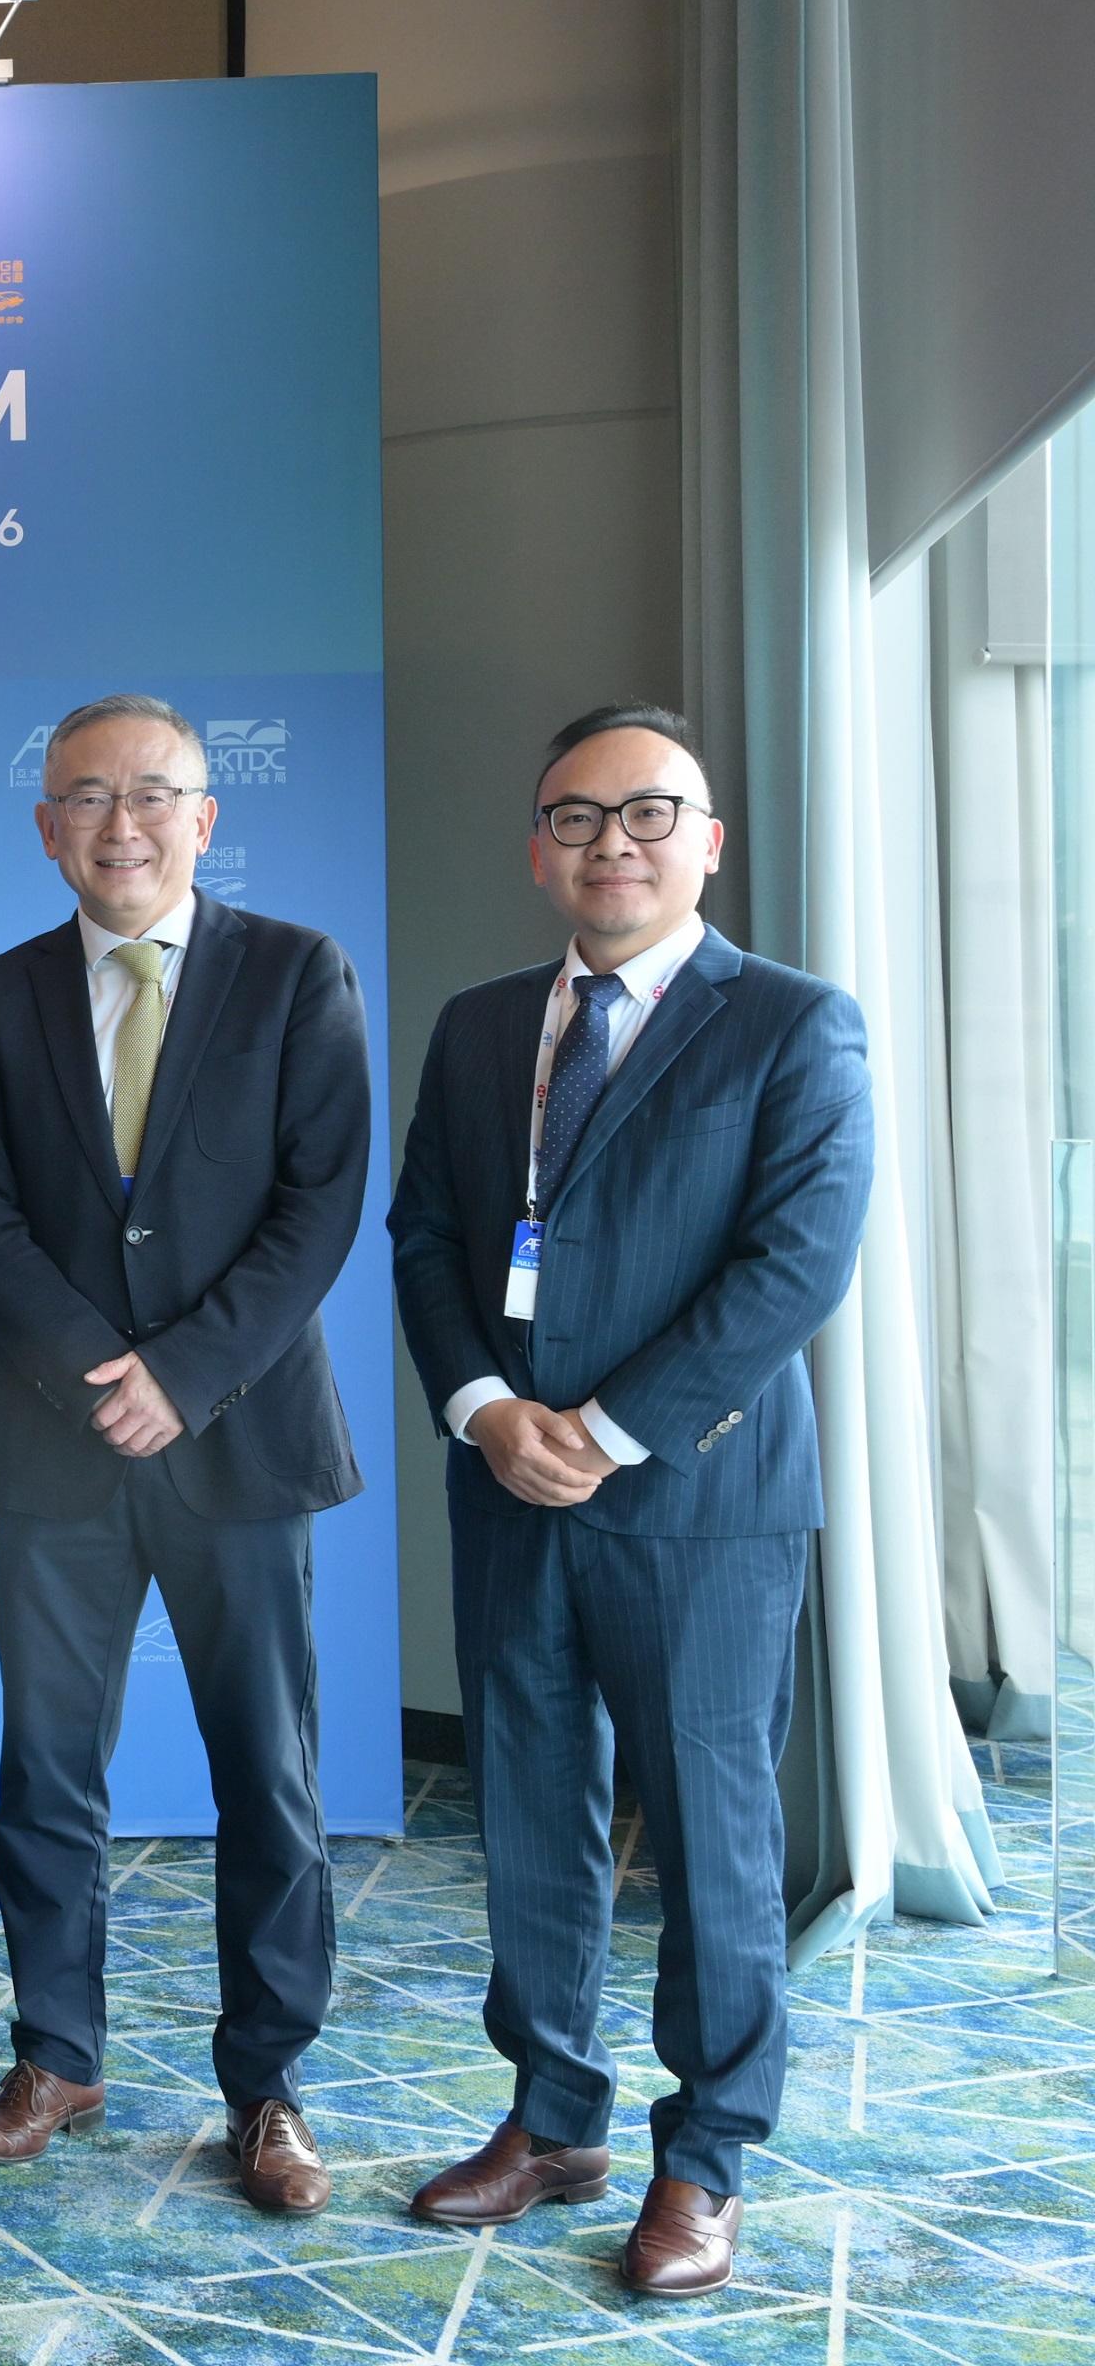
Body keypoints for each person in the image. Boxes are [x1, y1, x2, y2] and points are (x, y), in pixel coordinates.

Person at [388, 703, 870, 2296]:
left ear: (709, 842)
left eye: (650, 815)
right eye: (579, 819)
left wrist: (603, 1426)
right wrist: (482, 1408)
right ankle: (552, 2115)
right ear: (539, 848)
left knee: (716, 1838)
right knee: (528, 1816)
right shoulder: (474, 1028)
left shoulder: (794, 1024)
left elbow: (792, 1270)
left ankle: (706, 2154)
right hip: (509, 1485)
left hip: (702, 1505)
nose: (615, 845)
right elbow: (428, 1238)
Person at [0, 693, 370, 2211]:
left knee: (270, 1773)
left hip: (239, 1442)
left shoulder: (295, 974)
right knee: (49, 1771)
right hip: (56, 1454)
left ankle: (268, 2085)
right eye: (87, 799)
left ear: (205, 814)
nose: (122, 826)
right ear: (45, 826)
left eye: (152, 796)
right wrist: (86, 1372)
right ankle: (56, 2050)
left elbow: (319, 1206)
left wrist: (181, 1374)